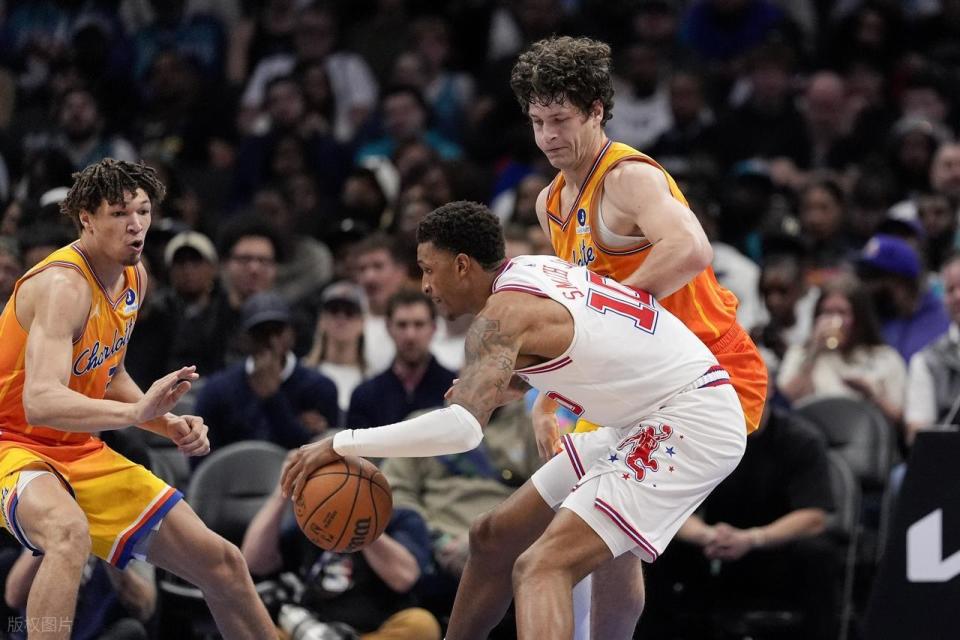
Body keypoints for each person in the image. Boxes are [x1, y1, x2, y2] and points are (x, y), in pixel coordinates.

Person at [280, 201, 746, 639]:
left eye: (428, 269)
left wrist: (342, 442)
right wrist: (519, 385)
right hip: (642, 414)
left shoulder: (500, 317)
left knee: (541, 565)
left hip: (687, 419)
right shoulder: (533, 270)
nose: (424, 285)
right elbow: (588, 341)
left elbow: (461, 430)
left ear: (463, 265)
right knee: (491, 537)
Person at [510, 35, 767, 636]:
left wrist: (609, 310)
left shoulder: (627, 177)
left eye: (561, 120)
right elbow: (581, 318)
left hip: (711, 371)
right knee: (604, 543)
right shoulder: (551, 202)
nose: (548, 136)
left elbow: (691, 249)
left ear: (596, 110)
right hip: (635, 384)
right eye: (538, 122)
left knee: (557, 553)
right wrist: (549, 396)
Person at [0, 158, 275, 639]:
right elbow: (40, 401)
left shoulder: (135, 279)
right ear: (86, 218)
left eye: (143, 211)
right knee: (67, 534)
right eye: (119, 213)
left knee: (223, 564)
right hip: (13, 444)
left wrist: (166, 423)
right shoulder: (63, 285)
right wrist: (135, 412)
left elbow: (109, 375)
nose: (136, 225)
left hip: (78, 448)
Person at [242, 451, 441, 640]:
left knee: (422, 624)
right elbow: (254, 562)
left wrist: (359, 518)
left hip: (372, 630)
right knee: (248, 625)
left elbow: (404, 578)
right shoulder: (310, 520)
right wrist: (282, 490)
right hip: (310, 628)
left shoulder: (403, 518)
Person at [194, 291, 339, 454]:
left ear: (292, 333)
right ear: (244, 338)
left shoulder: (319, 387)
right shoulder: (216, 391)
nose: (271, 341)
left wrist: (273, 399)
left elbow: (325, 456)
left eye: (277, 330)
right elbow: (202, 458)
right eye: (260, 332)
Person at [778, 275, 906, 427]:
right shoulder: (800, 354)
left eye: (842, 313)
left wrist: (871, 395)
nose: (833, 320)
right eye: (827, 312)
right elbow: (783, 402)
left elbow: (899, 418)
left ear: (859, 317)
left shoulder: (885, 357)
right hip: (812, 433)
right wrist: (813, 352)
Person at [347, 290, 455, 430]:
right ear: (388, 327)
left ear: (433, 328)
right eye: (402, 325)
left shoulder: (455, 390)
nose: (410, 335)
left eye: (419, 324)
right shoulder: (365, 395)